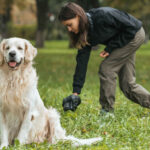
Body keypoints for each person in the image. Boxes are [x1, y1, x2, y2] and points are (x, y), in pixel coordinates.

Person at [58, 2, 150, 114]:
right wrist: (75, 93)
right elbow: (81, 62)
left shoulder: (103, 16)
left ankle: (107, 111)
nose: (69, 29)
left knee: (106, 69)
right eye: (66, 26)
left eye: (70, 24)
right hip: (124, 40)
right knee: (128, 85)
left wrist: (110, 48)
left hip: (134, 35)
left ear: (78, 17)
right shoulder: (84, 33)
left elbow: (131, 27)